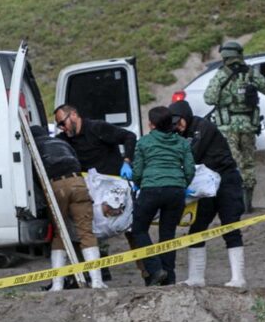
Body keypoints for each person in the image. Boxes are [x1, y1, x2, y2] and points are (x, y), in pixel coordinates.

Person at [204, 40, 265, 212]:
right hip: (248, 125)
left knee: (235, 164)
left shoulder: (220, 75)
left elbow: (209, 98)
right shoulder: (251, 74)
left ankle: (236, 205)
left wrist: (225, 98)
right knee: (248, 163)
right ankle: (248, 204)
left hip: (227, 128)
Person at [53, 103, 139, 283]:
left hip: (113, 186)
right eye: (59, 125)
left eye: (63, 122)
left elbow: (129, 136)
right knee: (92, 228)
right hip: (91, 188)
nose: (62, 128)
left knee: (131, 228)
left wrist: (127, 161)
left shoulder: (98, 128)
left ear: (74, 115)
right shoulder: (65, 139)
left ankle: (149, 272)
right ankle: (98, 272)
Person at [169, 99, 248, 287]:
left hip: (226, 180)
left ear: (185, 117)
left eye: (178, 123)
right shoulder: (179, 134)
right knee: (196, 228)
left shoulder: (203, 127)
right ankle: (196, 277)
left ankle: (238, 278)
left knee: (230, 226)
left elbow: (192, 154)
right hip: (205, 185)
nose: (177, 128)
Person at [29, 126, 106, 291]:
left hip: (56, 185)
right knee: (86, 232)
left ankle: (57, 284)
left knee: (60, 234)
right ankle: (97, 281)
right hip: (78, 182)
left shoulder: (33, 147)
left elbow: (33, 178)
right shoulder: (61, 142)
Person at [130, 106, 195, 286]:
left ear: (151, 125)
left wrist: (139, 182)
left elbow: (137, 171)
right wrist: (183, 184)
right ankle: (169, 277)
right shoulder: (182, 143)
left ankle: (155, 268)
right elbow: (190, 169)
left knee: (139, 229)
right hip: (175, 191)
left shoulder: (144, 142)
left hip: (151, 189)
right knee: (167, 234)